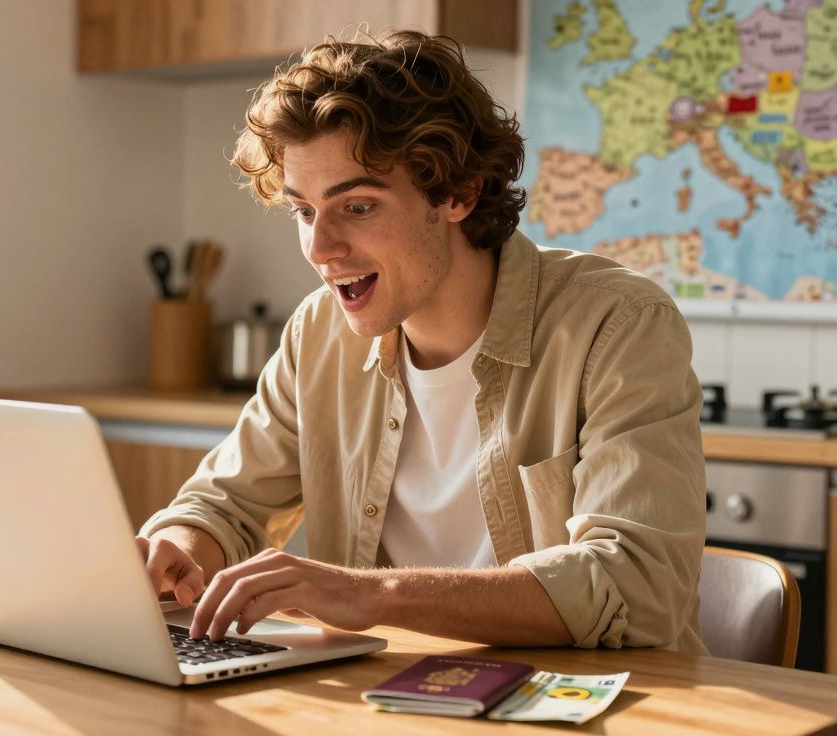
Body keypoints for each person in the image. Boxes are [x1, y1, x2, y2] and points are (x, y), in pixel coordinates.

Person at [135, 29, 707, 653]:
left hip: (589, 705)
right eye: (303, 211)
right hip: (391, 698)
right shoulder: (318, 332)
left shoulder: (617, 323)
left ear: (460, 192)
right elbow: (228, 502)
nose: (321, 250)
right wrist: (182, 543)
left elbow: (635, 586)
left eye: (356, 207)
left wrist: (370, 596)